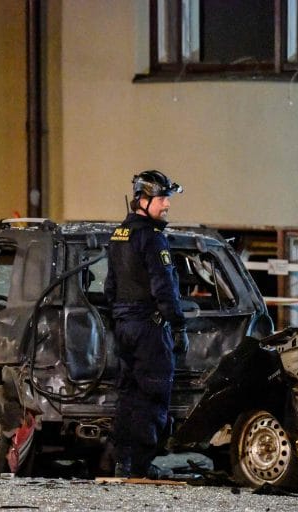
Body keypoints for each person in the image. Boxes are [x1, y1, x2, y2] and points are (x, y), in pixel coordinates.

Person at [104, 169, 190, 479]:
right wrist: (177, 325)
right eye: (162, 198)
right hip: (149, 329)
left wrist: (120, 319)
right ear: (143, 200)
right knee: (152, 394)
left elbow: (110, 287)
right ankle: (141, 465)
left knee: (128, 395)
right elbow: (163, 287)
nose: (167, 204)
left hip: (125, 327)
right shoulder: (153, 238)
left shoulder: (119, 235)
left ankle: (122, 461)